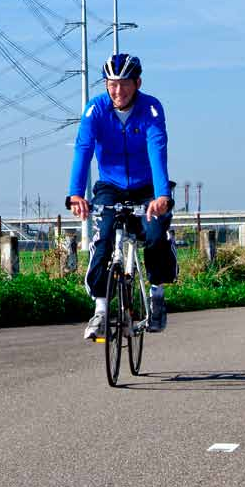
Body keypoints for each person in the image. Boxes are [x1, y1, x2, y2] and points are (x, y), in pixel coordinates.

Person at [66, 53, 176, 341]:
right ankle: (101, 310)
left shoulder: (151, 108)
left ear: (137, 83)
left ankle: (157, 295)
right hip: (111, 186)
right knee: (103, 240)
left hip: (147, 185)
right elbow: (83, 149)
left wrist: (162, 194)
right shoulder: (96, 109)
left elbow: (157, 148)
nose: (117, 91)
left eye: (124, 84)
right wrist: (76, 193)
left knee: (155, 233)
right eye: (111, 84)